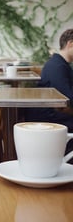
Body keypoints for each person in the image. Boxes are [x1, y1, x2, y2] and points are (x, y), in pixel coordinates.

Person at [24, 29, 73, 157]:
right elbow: (68, 99)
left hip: (52, 113)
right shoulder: (58, 66)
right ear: (71, 44)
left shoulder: (59, 64)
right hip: (48, 117)